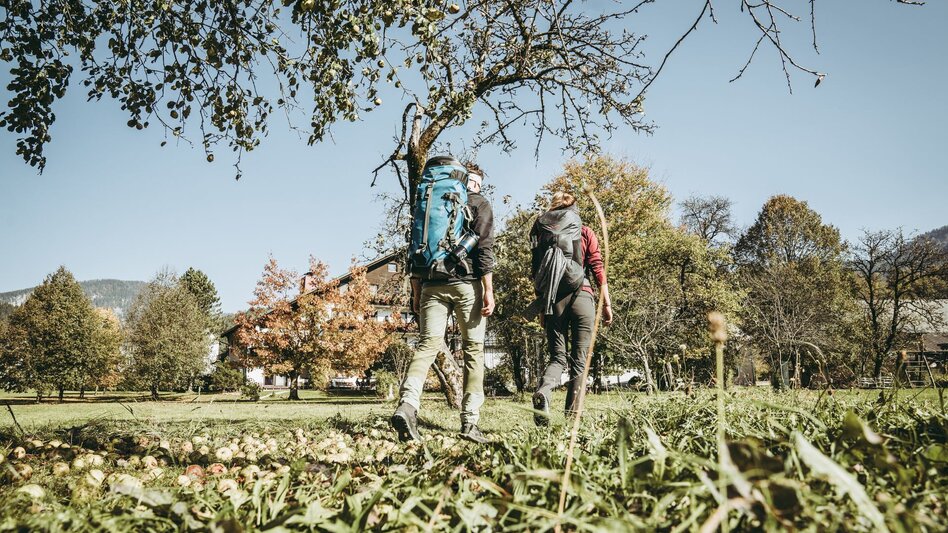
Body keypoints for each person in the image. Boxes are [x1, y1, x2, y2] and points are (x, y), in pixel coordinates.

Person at [391, 159, 495, 444]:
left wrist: (415, 291)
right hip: (466, 284)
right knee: (473, 350)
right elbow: (484, 249)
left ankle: (408, 405)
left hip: (429, 284)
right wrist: (489, 289)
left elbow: (413, 248)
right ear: (474, 182)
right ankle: (470, 422)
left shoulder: (428, 200)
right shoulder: (479, 203)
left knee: (427, 345)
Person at [531, 191, 612, 426]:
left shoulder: (541, 235)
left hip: (553, 300)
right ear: (574, 210)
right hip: (582, 296)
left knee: (557, 357)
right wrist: (606, 304)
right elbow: (597, 267)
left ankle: (544, 391)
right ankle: (572, 420)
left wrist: (541, 308)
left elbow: (536, 273)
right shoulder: (584, 231)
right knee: (580, 361)